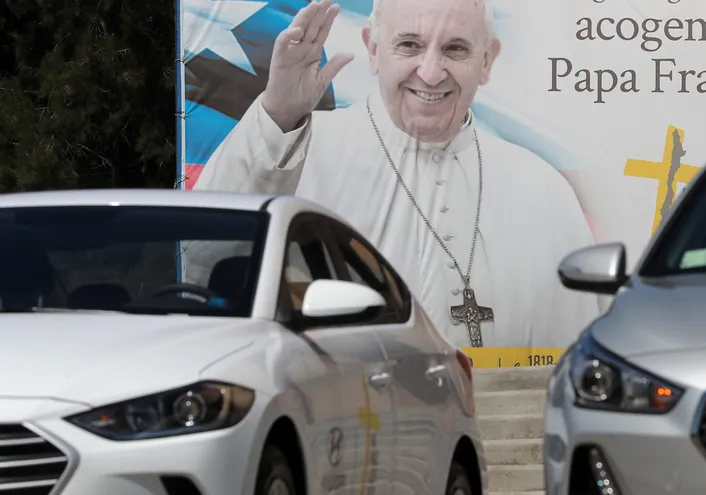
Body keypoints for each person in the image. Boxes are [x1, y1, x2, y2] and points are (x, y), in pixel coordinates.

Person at [187, 0, 601, 349]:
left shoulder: (542, 189)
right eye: (410, 45)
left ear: (487, 60)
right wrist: (278, 114)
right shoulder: (297, 146)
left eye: (455, 49)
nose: (431, 72)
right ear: (372, 48)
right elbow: (205, 257)